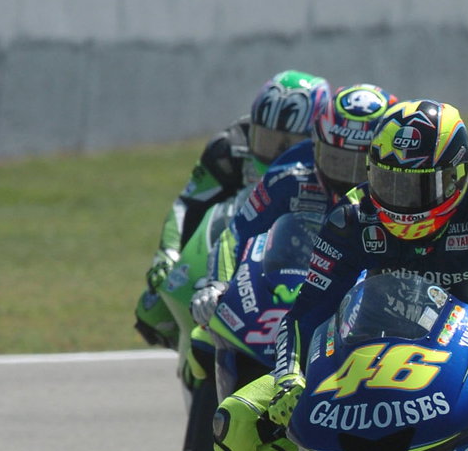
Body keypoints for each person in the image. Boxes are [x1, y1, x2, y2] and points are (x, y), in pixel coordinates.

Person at [211, 99, 468, 451]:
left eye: (414, 186)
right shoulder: (352, 219)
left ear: (456, 176)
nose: (399, 200)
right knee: (234, 423)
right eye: (386, 181)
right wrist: (289, 375)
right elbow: (308, 309)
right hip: (378, 345)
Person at [133, 70, 331, 351]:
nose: (276, 154)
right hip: (229, 234)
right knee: (152, 309)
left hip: (293, 246)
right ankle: (194, 360)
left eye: (290, 144)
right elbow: (188, 203)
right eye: (267, 139)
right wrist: (168, 255)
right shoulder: (228, 149)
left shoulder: (328, 164)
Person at [187, 83, 399, 331]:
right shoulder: (289, 174)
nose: (347, 178)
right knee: (202, 342)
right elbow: (236, 234)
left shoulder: (402, 192)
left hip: (368, 307)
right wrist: (217, 284)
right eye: (336, 161)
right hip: (292, 296)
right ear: (316, 146)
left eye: (360, 164)